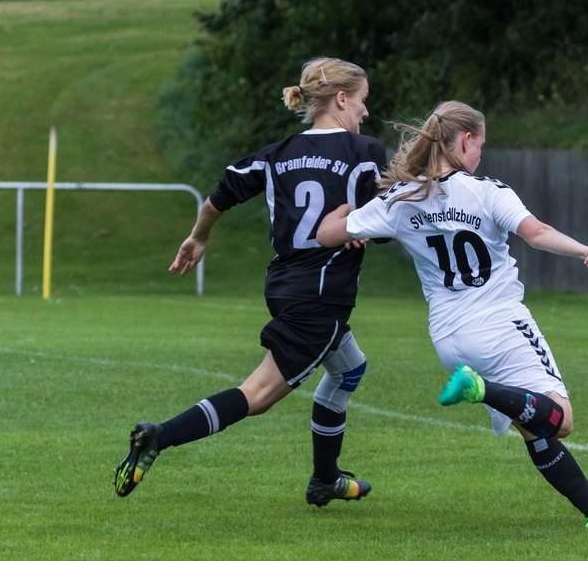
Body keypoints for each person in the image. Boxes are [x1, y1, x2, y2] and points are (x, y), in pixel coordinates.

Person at [316, 100, 588, 529]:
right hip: (500, 324)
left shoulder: (401, 198)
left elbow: (328, 235)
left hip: (448, 338)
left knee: (532, 424)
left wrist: (345, 214)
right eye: (480, 144)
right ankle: (480, 389)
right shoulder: (487, 191)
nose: (481, 154)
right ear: (465, 140)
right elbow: (536, 233)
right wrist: (585, 250)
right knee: (560, 418)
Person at [114, 57, 387, 507]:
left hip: (285, 285)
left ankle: (324, 478)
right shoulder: (366, 152)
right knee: (257, 395)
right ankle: (159, 436)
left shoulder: (278, 153)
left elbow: (220, 192)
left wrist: (198, 237)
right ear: (341, 99)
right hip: (320, 296)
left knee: (349, 368)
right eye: (362, 101)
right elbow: (387, 222)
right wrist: (358, 223)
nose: (365, 111)